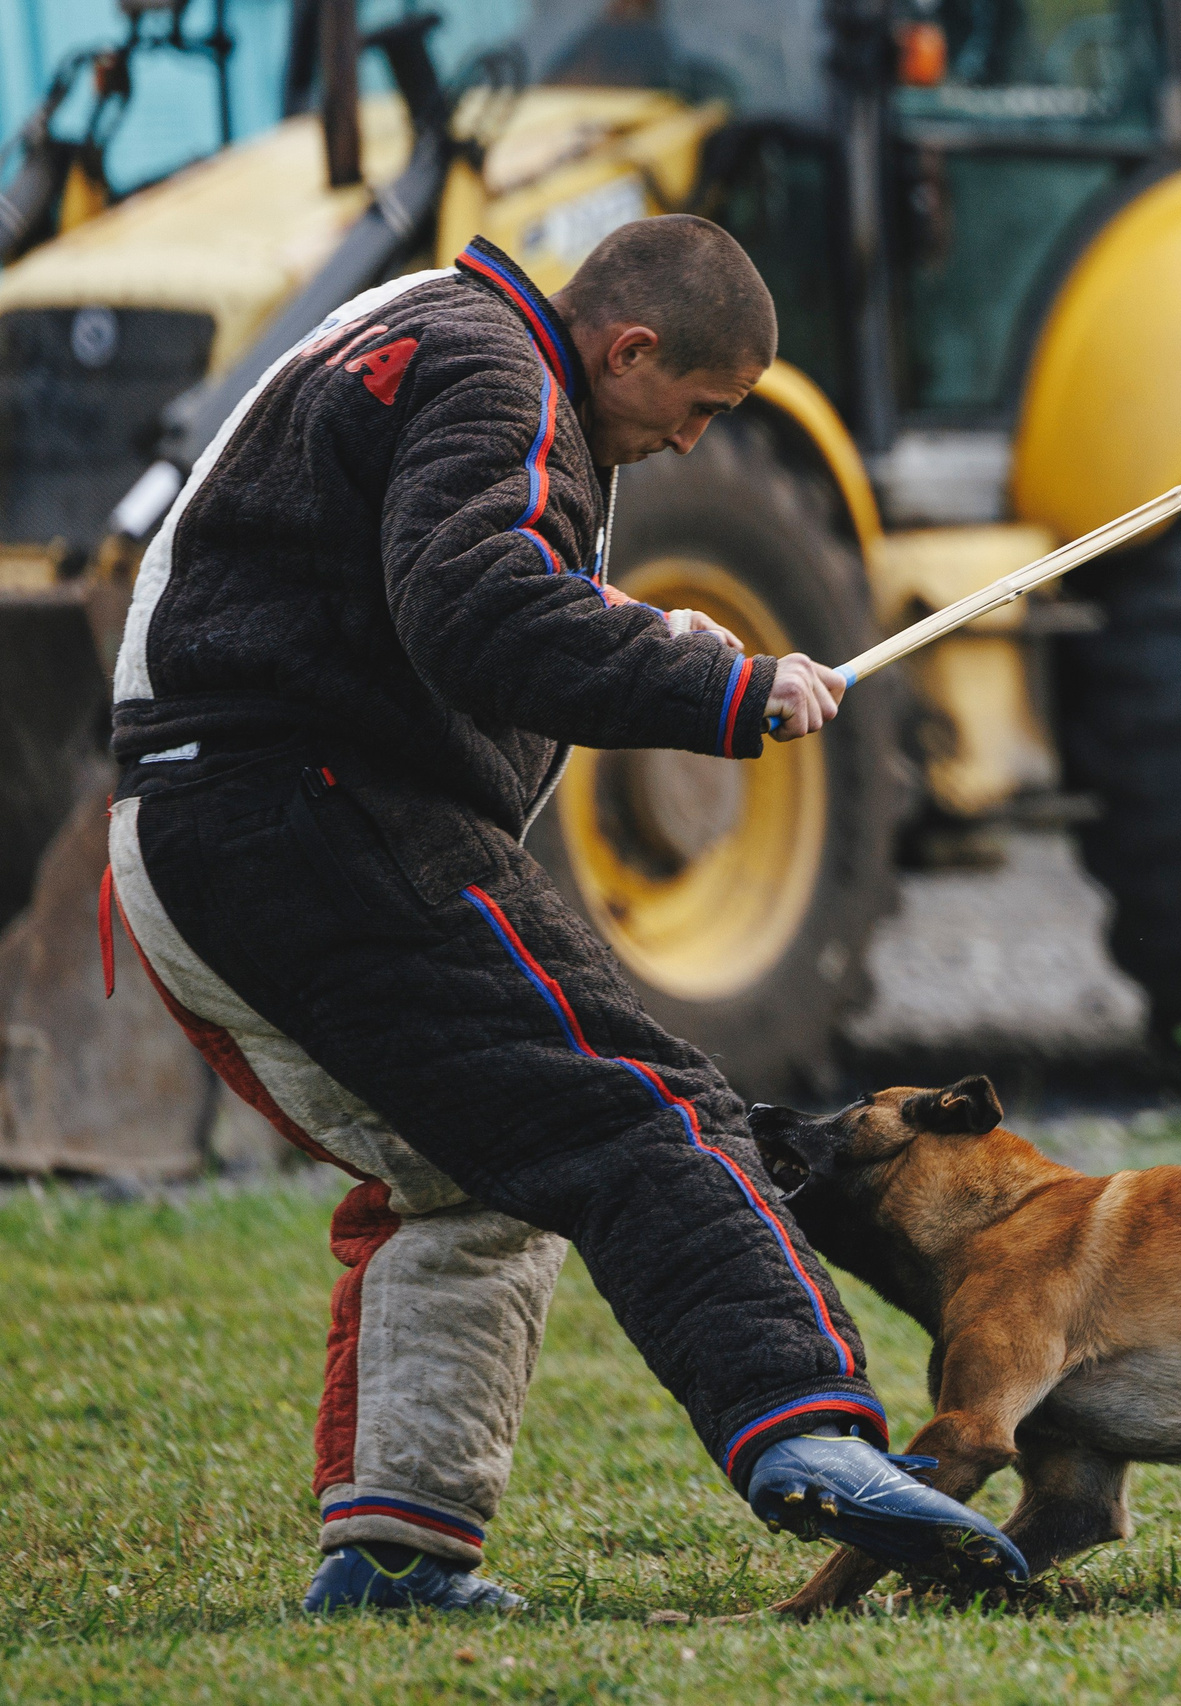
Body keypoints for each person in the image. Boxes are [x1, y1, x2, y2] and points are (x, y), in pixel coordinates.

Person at [101, 217, 1027, 1611]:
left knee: (470, 1169)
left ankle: (395, 1557)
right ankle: (814, 1431)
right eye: (699, 408)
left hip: (191, 838)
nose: (696, 445)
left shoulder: (426, 330)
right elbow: (472, 608)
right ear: (629, 347)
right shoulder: (498, 372)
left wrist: (646, 634)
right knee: (639, 1101)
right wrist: (717, 685)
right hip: (315, 815)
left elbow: (436, 589)